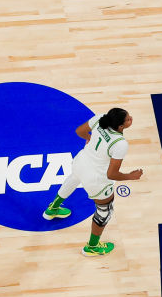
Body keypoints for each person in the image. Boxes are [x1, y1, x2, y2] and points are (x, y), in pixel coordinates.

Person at [43, 108, 142, 256]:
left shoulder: (101, 117)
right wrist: (130, 176)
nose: (131, 118)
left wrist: (89, 139)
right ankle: (92, 247)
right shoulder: (120, 144)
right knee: (105, 212)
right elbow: (112, 174)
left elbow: (79, 131)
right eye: (128, 119)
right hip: (95, 178)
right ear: (120, 126)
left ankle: (52, 209)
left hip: (80, 161)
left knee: (73, 180)